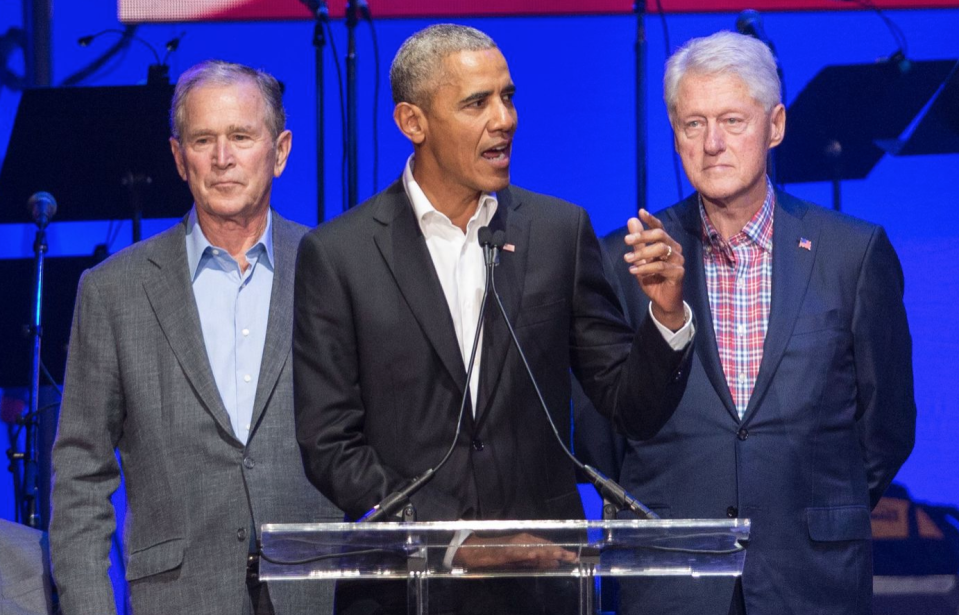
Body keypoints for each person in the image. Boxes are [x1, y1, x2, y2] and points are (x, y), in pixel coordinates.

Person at [293, 23, 694, 614]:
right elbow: (330, 445)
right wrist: (456, 541)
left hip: (541, 587)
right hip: (401, 591)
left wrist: (665, 316)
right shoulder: (339, 254)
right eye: (476, 103)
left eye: (507, 97)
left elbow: (628, 405)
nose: (503, 119)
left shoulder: (558, 232)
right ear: (413, 122)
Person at [599, 31, 916, 614]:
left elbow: (886, 426)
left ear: (775, 126)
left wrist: (814, 507)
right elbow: (602, 431)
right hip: (671, 576)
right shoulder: (625, 260)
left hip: (811, 575)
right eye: (693, 124)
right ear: (675, 135)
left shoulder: (853, 253)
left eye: (732, 121)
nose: (712, 143)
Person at [49, 60, 340, 615]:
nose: (223, 158)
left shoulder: (334, 268)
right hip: (179, 598)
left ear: (280, 151)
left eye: (241, 137)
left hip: (320, 591)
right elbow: (80, 475)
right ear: (179, 157)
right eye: (203, 139)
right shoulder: (115, 291)